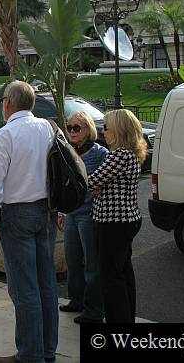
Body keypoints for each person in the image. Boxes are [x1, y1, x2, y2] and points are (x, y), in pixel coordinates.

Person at [0, 81, 58, 363]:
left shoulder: (4, 135)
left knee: (24, 288)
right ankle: (47, 351)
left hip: (18, 214)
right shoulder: (48, 129)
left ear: (9, 103)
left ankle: (29, 355)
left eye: (3, 101)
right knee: (46, 284)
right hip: (45, 210)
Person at [89, 109, 146, 324]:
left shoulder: (119, 155)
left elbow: (91, 182)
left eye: (106, 127)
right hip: (126, 219)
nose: (103, 132)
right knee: (123, 274)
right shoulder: (131, 154)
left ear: (119, 130)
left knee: (111, 279)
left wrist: (96, 187)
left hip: (113, 222)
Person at [60, 110, 107, 324]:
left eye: (76, 128)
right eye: (69, 127)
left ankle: (94, 310)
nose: (71, 132)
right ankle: (76, 300)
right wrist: (61, 210)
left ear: (88, 129)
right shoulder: (68, 151)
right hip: (71, 213)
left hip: (89, 214)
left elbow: (102, 184)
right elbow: (65, 185)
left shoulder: (99, 154)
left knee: (91, 264)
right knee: (73, 260)